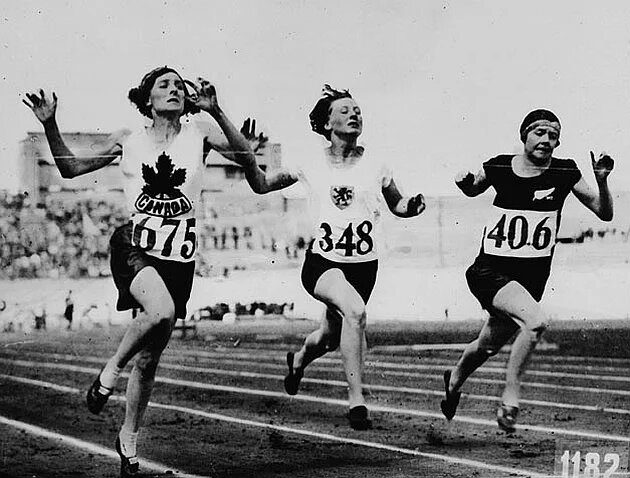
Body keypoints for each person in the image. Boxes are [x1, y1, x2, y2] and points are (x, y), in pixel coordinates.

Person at [23, 66, 257, 477]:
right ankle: (109, 372)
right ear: (146, 98)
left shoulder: (199, 133)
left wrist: (218, 112)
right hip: (134, 245)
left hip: (177, 259)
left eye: (178, 86)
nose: (174, 90)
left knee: (149, 360)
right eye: (163, 85)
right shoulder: (127, 139)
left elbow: (245, 159)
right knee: (161, 312)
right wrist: (51, 124)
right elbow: (71, 169)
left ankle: (127, 440)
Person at [238, 85, 426, 429]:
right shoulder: (309, 163)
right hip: (324, 263)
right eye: (343, 110)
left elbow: (396, 203)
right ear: (326, 124)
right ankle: (357, 401)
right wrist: (248, 156)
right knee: (355, 313)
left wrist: (411, 206)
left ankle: (298, 361)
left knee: (328, 335)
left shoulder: (376, 163)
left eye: (357, 109)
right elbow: (262, 185)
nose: (354, 114)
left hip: (364, 267)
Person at [441, 109, 614, 432]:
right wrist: (464, 181)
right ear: (524, 136)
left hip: (531, 278)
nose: (546, 140)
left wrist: (602, 181)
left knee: (487, 345)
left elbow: (604, 213)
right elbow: (474, 188)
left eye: (553, 135)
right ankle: (510, 395)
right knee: (535, 323)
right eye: (539, 132)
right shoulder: (500, 165)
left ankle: (453, 381)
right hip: (489, 270)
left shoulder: (565, 171)